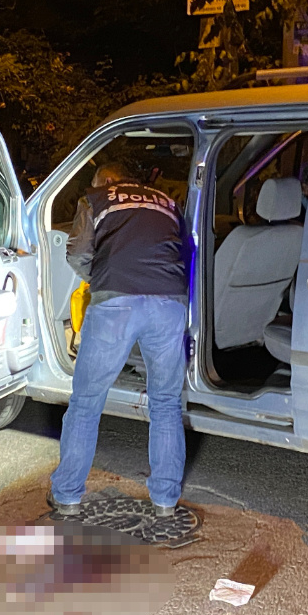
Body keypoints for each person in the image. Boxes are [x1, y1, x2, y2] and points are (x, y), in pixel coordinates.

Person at [50, 162, 190, 519]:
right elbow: (181, 250)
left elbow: (78, 253)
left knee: (85, 403)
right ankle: (165, 501)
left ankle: (67, 495)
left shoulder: (96, 198)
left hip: (117, 303)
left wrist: (101, 279)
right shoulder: (167, 202)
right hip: (170, 303)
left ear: (109, 180)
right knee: (165, 404)